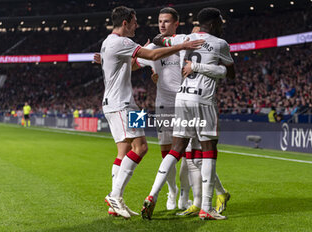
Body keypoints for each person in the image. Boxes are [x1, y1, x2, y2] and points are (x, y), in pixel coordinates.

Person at [101, 6, 204, 219]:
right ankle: (115, 195)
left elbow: (129, 63)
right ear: (125, 23)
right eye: (135, 22)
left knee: (126, 150)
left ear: (176, 23)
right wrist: (180, 46)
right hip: (121, 105)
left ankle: (116, 202)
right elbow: (150, 55)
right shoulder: (121, 42)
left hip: (131, 104)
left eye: (166, 21)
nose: (138, 25)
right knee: (143, 148)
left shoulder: (112, 43)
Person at [141, 7, 235, 220]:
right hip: (202, 100)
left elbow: (158, 39)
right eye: (220, 22)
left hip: (181, 98)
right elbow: (230, 74)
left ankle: (153, 195)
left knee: (177, 150)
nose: (222, 25)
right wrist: (201, 67)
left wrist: (184, 49)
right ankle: (206, 207)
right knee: (208, 150)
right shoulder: (221, 44)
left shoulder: (184, 38)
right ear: (212, 23)